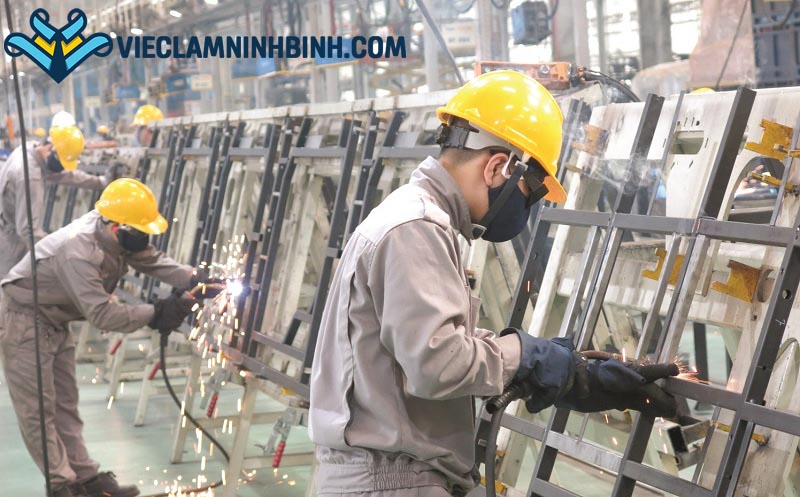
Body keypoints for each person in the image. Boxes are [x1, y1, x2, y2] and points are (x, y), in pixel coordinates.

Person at [308, 70, 679, 497]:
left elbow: (429, 345)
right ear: (497, 166)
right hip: (391, 483)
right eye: (528, 193)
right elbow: (437, 364)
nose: (525, 207)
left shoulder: (415, 219)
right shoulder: (416, 228)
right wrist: (526, 356)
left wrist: (563, 369)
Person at [0, 178, 206, 497]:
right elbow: (103, 315)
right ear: (116, 228)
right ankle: (62, 486)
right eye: (139, 233)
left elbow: (149, 258)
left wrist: (195, 278)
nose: (144, 240)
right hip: (23, 320)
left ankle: (85, 479)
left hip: (55, 319)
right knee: (38, 410)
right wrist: (156, 312)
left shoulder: (114, 230)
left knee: (65, 403)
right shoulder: (78, 251)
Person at [0, 120, 125, 278]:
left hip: (8, 227)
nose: (61, 167)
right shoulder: (30, 177)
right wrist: (65, 250)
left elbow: (67, 175)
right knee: (10, 284)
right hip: (10, 241)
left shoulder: (30, 149)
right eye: (61, 161)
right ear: (50, 148)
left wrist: (101, 181)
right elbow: (28, 231)